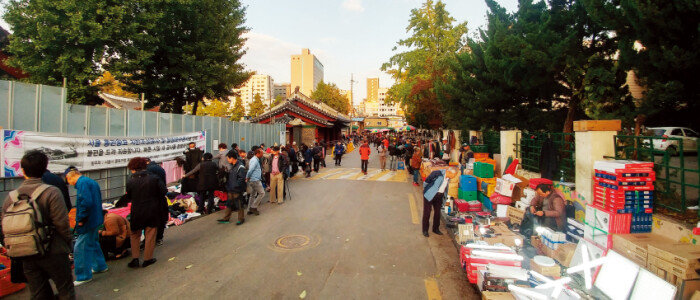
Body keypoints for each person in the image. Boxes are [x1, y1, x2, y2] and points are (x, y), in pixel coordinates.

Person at [1, 150, 75, 299]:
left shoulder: (11, 197)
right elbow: (62, 225)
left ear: (22, 171)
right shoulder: (52, 192)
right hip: (53, 250)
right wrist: (68, 245)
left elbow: (4, 226)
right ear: (45, 168)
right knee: (65, 290)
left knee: (38, 293)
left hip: (25, 252)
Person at [64, 168, 108, 286]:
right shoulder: (90, 181)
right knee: (92, 243)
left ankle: (83, 275)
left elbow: (86, 203)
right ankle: (99, 266)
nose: (69, 183)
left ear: (71, 176)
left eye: (68, 180)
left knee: (80, 248)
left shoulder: (82, 184)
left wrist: (81, 219)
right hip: (96, 218)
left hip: (88, 220)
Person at [125, 157, 167, 268]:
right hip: (152, 209)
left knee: (134, 234)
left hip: (136, 209)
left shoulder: (130, 180)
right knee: (150, 233)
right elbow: (163, 191)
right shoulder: (154, 178)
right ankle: (147, 259)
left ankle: (135, 258)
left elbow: (129, 196)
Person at [422, 168, 459, 237]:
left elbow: (445, 188)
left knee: (437, 213)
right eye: (454, 175)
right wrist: (426, 189)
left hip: (439, 196)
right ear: (449, 172)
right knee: (427, 213)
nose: (454, 177)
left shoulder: (448, 178)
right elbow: (427, 181)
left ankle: (435, 229)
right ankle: (425, 230)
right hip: (430, 194)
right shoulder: (437, 173)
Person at [218, 150, 248, 224]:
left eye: (228, 158)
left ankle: (241, 219)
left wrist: (236, 186)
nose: (227, 160)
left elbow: (241, 179)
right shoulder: (233, 166)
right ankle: (226, 218)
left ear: (232, 158)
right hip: (231, 188)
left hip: (236, 189)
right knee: (229, 204)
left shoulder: (240, 166)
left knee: (239, 204)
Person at [144, 158, 167, 245]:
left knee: (152, 219)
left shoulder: (148, 171)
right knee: (160, 218)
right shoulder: (160, 168)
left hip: (151, 198)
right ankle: (159, 237)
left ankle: (152, 238)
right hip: (160, 197)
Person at [246, 149, 265, 216]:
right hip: (255, 180)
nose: (262, 154)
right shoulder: (254, 160)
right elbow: (250, 170)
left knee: (252, 195)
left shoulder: (255, 159)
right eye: (261, 153)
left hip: (254, 179)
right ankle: (253, 207)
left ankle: (249, 210)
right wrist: (247, 177)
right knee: (262, 193)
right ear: (258, 153)